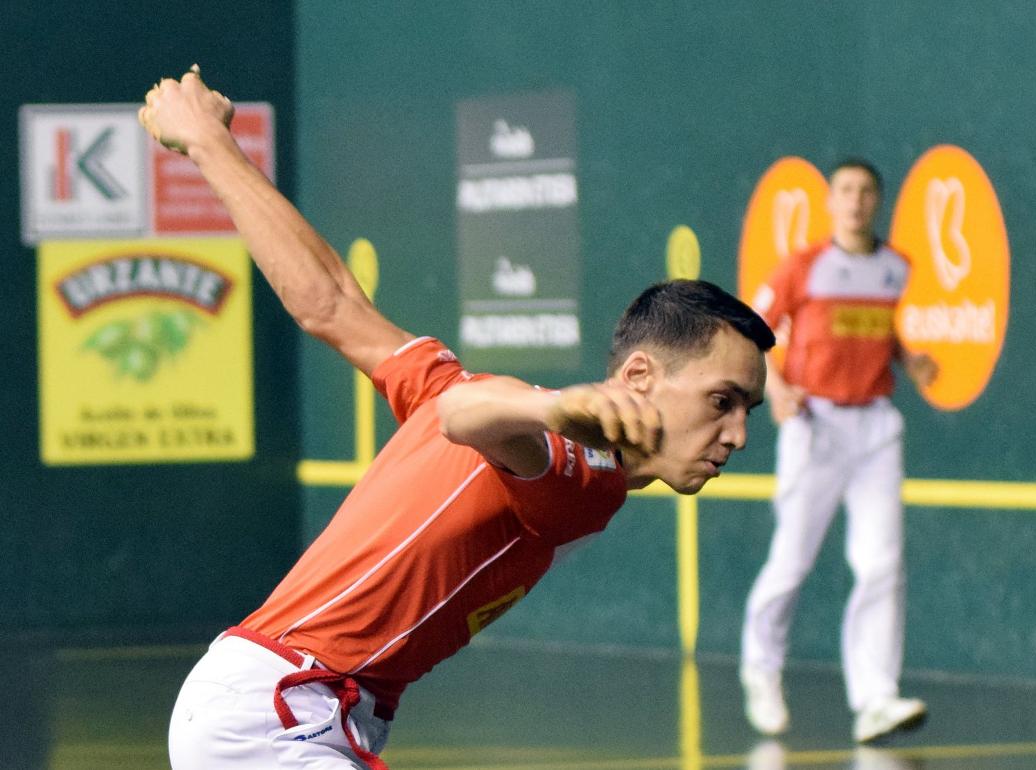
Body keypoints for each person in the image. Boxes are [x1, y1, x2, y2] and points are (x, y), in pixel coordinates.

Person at [140, 67, 773, 769]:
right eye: (723, 401)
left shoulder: (487, 403)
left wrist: (207, 142)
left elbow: (329, 304)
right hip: (280, 711)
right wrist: (555, 408)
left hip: (283, 704)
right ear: (639, 376)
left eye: (749, 410)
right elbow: (463, 416)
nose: (738, 434)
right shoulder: (585, 479)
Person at [739, 158, 937, 743]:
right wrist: (775, 389)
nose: (855, 201)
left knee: (882, 563)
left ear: (879, 201)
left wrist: (910, 358)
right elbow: (751, 328)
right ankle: (761, 667)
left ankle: (876, 698)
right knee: (792, 561)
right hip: (814, 424)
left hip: (876, 428)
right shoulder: (803, 267)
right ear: (830, 201)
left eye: (866, 192)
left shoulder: (896, 268)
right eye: (845, 191)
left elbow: (877, 331)